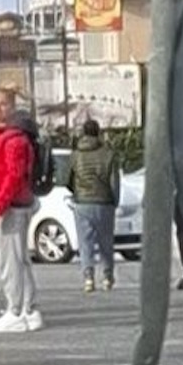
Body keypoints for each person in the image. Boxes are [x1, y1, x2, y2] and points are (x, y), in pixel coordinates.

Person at [0, 88, 42, 334]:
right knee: (20, 259)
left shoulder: (14, 138)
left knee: (10, 261)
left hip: (12, 207)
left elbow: (12, 177)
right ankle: (28, 308)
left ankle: (15, 310)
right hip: (15, 204)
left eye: (3, 104)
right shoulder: (3, 135)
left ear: (12, 107)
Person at [67, 119, 120, 293]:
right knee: (106, 242)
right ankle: (107, 276)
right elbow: (114, 182)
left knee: (85, 242)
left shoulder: (75, 155)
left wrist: (76, 194)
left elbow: (69, 180)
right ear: (99, 133)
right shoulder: (109, 154)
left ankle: (88, 277)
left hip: (82, 203)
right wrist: (115, 201)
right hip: (104, 202)